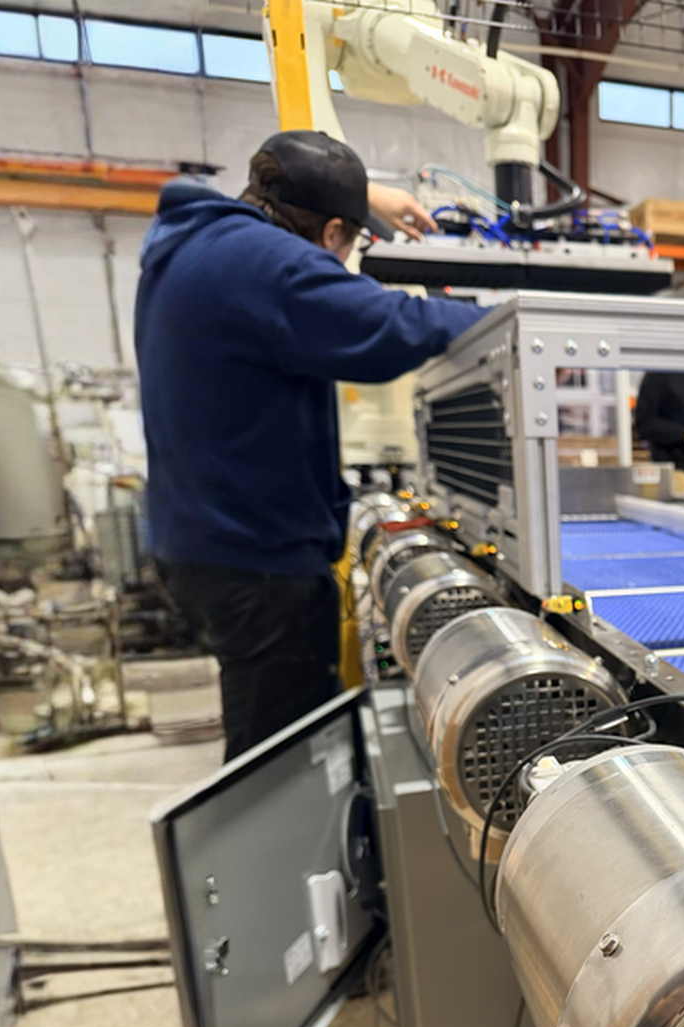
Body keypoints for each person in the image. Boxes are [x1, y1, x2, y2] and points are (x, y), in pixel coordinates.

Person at [135, 130, 486, 759]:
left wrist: (365, 196)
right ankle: (273, 857)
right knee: (277, 756)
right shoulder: (267, 263)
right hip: (256, 557)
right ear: (330, 234)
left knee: (275, 717)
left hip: (205, 541)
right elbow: (390, 326)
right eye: (347, 246)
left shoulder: (200, 242)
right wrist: (510, 318)